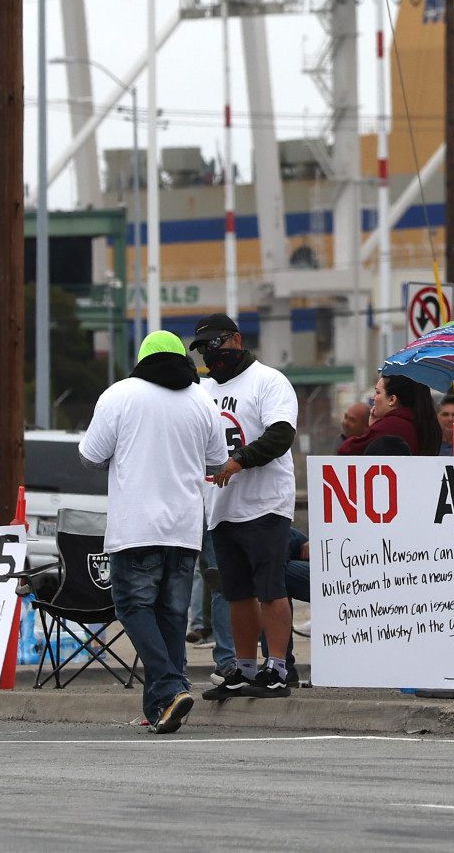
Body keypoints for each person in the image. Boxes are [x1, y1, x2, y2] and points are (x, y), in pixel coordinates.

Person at [80, 329, 227, 736]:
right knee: (170, 616)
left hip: (136, 527)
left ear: (142, 359)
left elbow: (91, 456)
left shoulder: (120, 394)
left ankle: (170, 685)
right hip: (183, 527)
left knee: (132, 607)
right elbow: (217, 464)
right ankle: (161, 708)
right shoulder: (202, 400)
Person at [188, 314, 301, 702]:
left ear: (236, 339)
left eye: (216, 344)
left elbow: (281, 434)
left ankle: (278, 669)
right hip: (221, 506)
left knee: (270, 587)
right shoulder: (200, 389)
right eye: (203, 349)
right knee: (236, 593)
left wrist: (239, 461)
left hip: (265, 503)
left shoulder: (268, 381)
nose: (210, 354)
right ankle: (244, 668)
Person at [362, 374, 441, 456]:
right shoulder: (423, 423)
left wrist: (375, 428)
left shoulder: (390, 425)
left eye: (378, 392)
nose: (373, 398)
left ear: (392, 399)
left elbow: (351, 449)